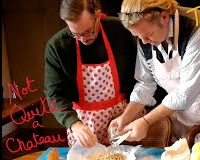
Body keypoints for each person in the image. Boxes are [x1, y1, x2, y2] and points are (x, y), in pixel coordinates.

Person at [109, 0, 200, 142]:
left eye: (148, 34)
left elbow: (185, 93)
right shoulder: (145, 37)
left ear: (164, 17)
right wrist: (126, 116)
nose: (143, 42)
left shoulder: (199, 29)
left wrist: (146, 122)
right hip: (182, 113)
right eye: (138, 36)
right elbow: (145, 83)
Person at [44, 0, 137, 148]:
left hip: (121, 117)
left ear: (98, 16)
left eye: (88, 32)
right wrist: (73, 124)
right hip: (83, 124)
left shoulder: (120, 30)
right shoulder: (57, 46)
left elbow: (138, 75)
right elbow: (54, 95)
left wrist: (135, 111)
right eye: (75, 34)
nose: (83, 39)